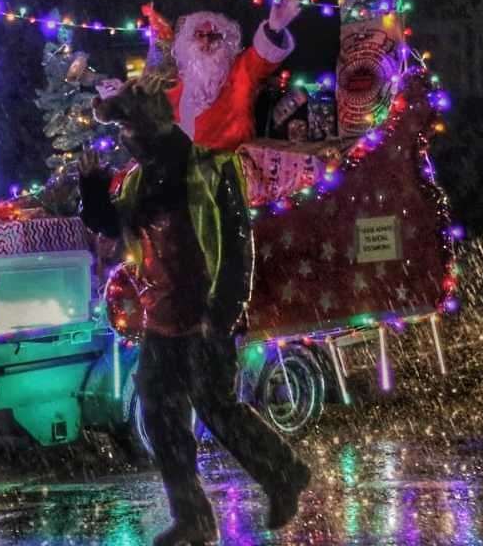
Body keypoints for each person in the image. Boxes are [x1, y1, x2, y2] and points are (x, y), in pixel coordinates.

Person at [78, 74, 311, 545]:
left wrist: (223, 310)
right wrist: (91, 186)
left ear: (150, 125)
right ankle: (194, 518)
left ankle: (284, 473)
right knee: (161, 413)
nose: (124, 140)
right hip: (163, 316)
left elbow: (237, 239)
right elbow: (110, 224)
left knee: (215, 405)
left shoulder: (206, 168)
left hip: (204, 313)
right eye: (122, 132)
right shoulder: (138, 181)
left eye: (129, 130)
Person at [157, 0, 303, 152]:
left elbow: (261, 59)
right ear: (189, 41)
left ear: (226, 41)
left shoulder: (240, 70)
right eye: (200, 35)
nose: (207, 42)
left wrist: (273, 30)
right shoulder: (178, 82)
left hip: (230, 163)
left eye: (214, 36)